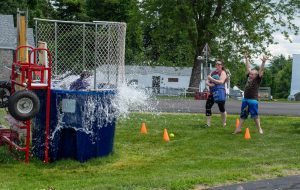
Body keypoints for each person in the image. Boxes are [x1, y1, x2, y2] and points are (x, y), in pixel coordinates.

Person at [233, 54, 268, 135]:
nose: (250, 75)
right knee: (243, 115)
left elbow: (260, 71)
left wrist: (263, 62)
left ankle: (259, 129)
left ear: (256, 75)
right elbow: (248, 68)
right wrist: (246, 58)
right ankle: (238, 129)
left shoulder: (257, 79)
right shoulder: (249, 78)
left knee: (255, 116)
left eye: (252, 74)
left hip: (253, 101)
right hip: (245, 99)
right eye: (250, 74)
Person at [203, 59, 228, 128]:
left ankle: (224, 123)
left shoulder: (223, 72)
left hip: (220, 93)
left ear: (222, 65)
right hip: (212, 92)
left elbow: (221, 81)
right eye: (216, 64)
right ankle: (208, 124)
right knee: (208, 107)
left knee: (221, 108)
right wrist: (210, 84)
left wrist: (211, 79)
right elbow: (207, 81)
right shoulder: (213, 72)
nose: (217, 65)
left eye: (218, 64)